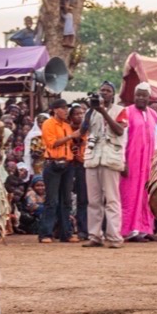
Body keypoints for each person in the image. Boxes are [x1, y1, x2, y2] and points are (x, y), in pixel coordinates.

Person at [81, 83, 127, 248]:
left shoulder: (120, 110)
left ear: (113, 94)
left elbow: (119, 131)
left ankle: (114, 237)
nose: (104, 93)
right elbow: (82, 132)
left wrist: (103, 112)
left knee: (112, 200)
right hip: (93, 158)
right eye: (102, 91)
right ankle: (95, 236)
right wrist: (90, 110)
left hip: (110, 158)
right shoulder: (91, 111)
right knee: (93, 201)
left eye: (108, 91)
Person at [120, 83, 157, 242]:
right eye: (138, 95)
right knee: (129, 195)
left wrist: (156, 161)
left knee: (146, 195)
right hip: (131, 161)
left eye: (144, 95)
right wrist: (122, 161)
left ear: (149, 98)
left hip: (148, 162)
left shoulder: (153, 114)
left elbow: (155, 140)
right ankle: (130, 231)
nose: (141, 98)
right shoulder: (127, 112)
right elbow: (122, 139)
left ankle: (145, 228)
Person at [38, 98, 79, 244]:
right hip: (53, 164)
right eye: (63, 108)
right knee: (52, 201)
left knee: (66, 200)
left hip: (67, 164)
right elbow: (52, 143)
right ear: (55, 110)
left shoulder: (66, 125)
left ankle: (65, 233)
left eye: (66, 108)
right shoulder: (48, 123)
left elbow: (69, 143)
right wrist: (70, 136)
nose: (66, 111)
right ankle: (45, 234)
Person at [69, 103, 88, 241]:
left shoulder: (87, 129)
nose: (80, 116)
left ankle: (83, 230)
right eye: (76, 113)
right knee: (65, 199)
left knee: (83, 199)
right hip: (67, 165)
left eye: (82, 113)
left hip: (82, 166)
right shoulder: (66, 128)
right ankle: (64, 228)